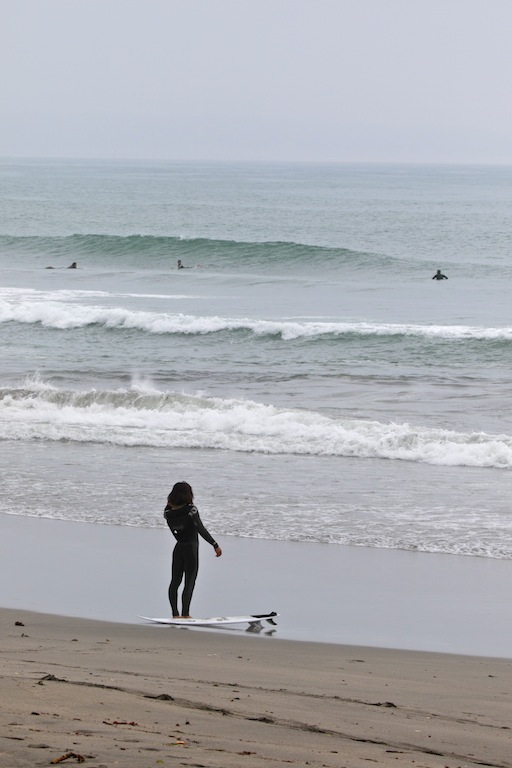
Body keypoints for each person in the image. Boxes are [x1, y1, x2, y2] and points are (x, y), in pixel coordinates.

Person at [163, 481, 222, 618]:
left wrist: (169, 502)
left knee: (175, 582)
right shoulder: (191, 510)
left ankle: (175, 614)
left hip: (178, 548)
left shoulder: (168, 513)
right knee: (189, 582)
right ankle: (186, 614)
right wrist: (214, 544)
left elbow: (171, 515)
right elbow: (200, 529)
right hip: (191, 549)